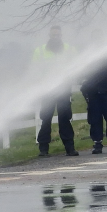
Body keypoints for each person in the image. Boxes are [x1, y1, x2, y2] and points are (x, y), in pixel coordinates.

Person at [33, 26, 78, 157]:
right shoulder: (39, 51)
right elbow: (35, 70)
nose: (56, 37)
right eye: (53, 35)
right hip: (47, 90)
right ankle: (43, 148)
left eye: (58, 35)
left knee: (65, 118)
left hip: (64, 90)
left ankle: (70, 148)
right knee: (45, 119)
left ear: (61, 36)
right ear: (49, 36)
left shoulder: (70, 50)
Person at [81, 30, 107, 154]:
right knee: (94, 119)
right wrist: (86, 86)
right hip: (93, 93)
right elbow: (82, 73)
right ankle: (97, 144)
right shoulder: (88, 55)